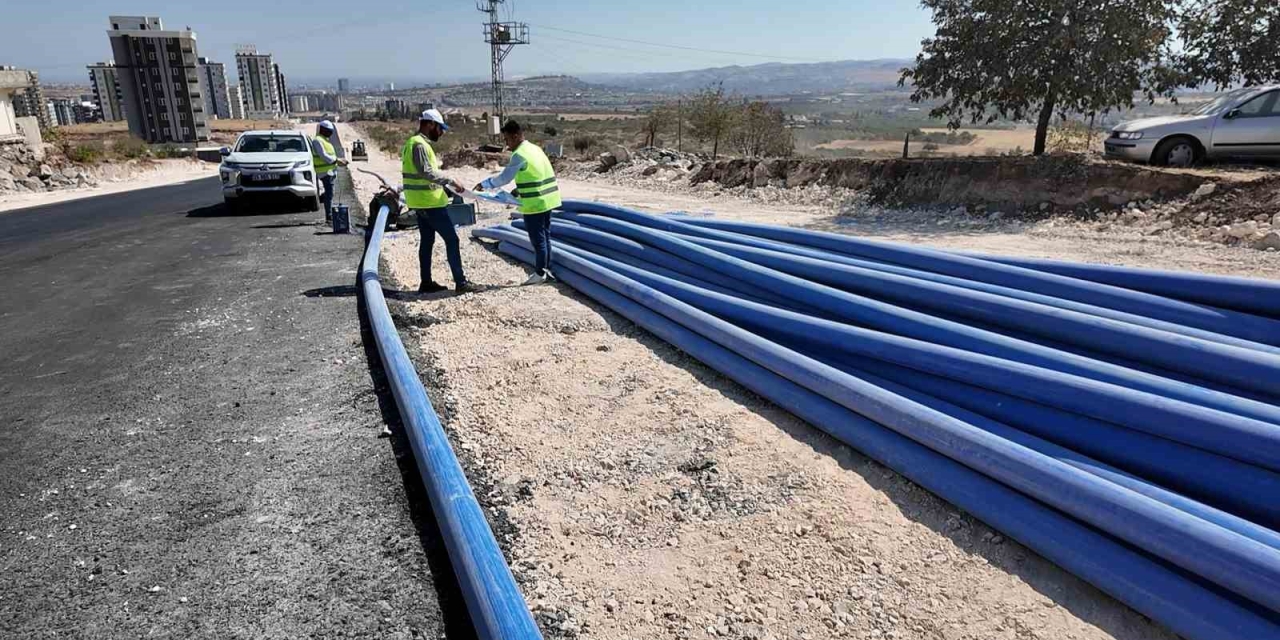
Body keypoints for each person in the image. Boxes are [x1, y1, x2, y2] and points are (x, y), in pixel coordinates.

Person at [475, 120, 562, 285]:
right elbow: (534, 174)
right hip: (548, 199)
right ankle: (547, 269)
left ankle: (540, 273)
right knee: (546, 236)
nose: (506, 144)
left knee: (538, 240)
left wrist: (484, 184)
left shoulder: (519, 154)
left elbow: (504, 178)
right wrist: (517, 190)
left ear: (515, 136)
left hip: (535, 202)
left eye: (507, 139)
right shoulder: (535, 148)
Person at [402, 109, 472, 294]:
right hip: (430, 204)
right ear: (430, 124)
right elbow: (426, 172)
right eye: (440, 128)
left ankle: (426, 282)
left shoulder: (412, 143)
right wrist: (450, 180)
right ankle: (461, 283)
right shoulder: (419, 145)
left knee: (427, 242)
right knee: (452, 240)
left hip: (421, 203)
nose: (441, 133)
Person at [310, 121, 347, 223]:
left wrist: (338, 161)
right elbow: (323, 156)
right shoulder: (317, 141)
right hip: (324, 172)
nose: (330, 134)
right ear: (322, 130)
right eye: (329, 131)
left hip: (329, 171)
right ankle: (329, 216)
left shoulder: (325, 140)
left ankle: (329, 214)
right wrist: (337, 160)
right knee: (329, 193)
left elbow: (330, 156)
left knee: (330, 193)